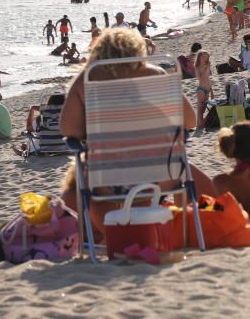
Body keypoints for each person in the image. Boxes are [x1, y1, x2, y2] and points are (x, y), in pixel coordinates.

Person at [59, 28, 213, 238]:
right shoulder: (157, 75)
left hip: (108, 181)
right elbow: (189, 120)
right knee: (185, 168)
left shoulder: (88, 79)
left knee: (85, 188)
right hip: (162, 176)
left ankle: (121, 238)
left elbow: (69, 130)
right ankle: (183, 231)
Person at [194, 50, 214, 127]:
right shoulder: (198, 67)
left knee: (204, 109)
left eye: (207, 57)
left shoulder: (206, 66)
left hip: (207, 90)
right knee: (200, 109)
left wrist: (212, 91)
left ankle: (200, 124)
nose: (205, 58)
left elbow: (208, 79)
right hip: (201, 90)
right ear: (199, 57)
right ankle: (200, 125)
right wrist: (207, 68)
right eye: (204, 57)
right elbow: (200, 79)